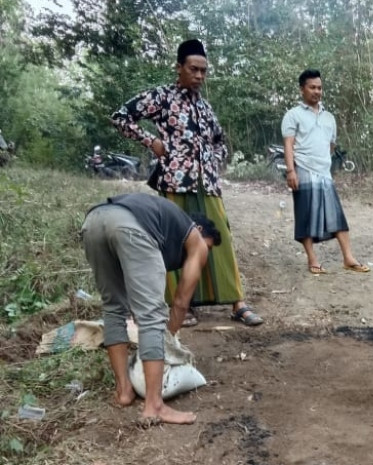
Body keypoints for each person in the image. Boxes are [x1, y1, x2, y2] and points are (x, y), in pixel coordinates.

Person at [111, 39, 263, 327]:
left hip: (208, 184)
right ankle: (185, 304)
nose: (199, 76)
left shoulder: (205, 107)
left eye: (204, 71)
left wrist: (216, 161)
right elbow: (120, 117)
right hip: (174, 181)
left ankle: (237, 302)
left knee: (222, 240)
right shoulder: (162, 97)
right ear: (179, 67)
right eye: (194, 69)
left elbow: (220, 140)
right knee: (176, 243)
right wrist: (151, 141)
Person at [80, 193, 222, 425]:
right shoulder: (194, 241)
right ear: (198, 229)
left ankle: (124, 391)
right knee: (152, 317)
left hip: (94, 220)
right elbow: (180, 303)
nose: (204, 255)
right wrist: (168, 341)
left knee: (114, 308)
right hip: (129, 226)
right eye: (208, 247)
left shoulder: (165, 226)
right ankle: (154, 405)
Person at [281, 69, 369, 275]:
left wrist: (324, 163)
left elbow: (331, 145)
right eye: (312, 87)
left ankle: (348, 257)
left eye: (319, 88)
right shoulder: (292, 115)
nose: (317, 91)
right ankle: (312, 259)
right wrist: (291, 171)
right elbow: (288, 144)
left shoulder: (329, 117)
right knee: (305, 214)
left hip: (324, 173)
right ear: (302, 89)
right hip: (302, 170)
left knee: (335, 213)